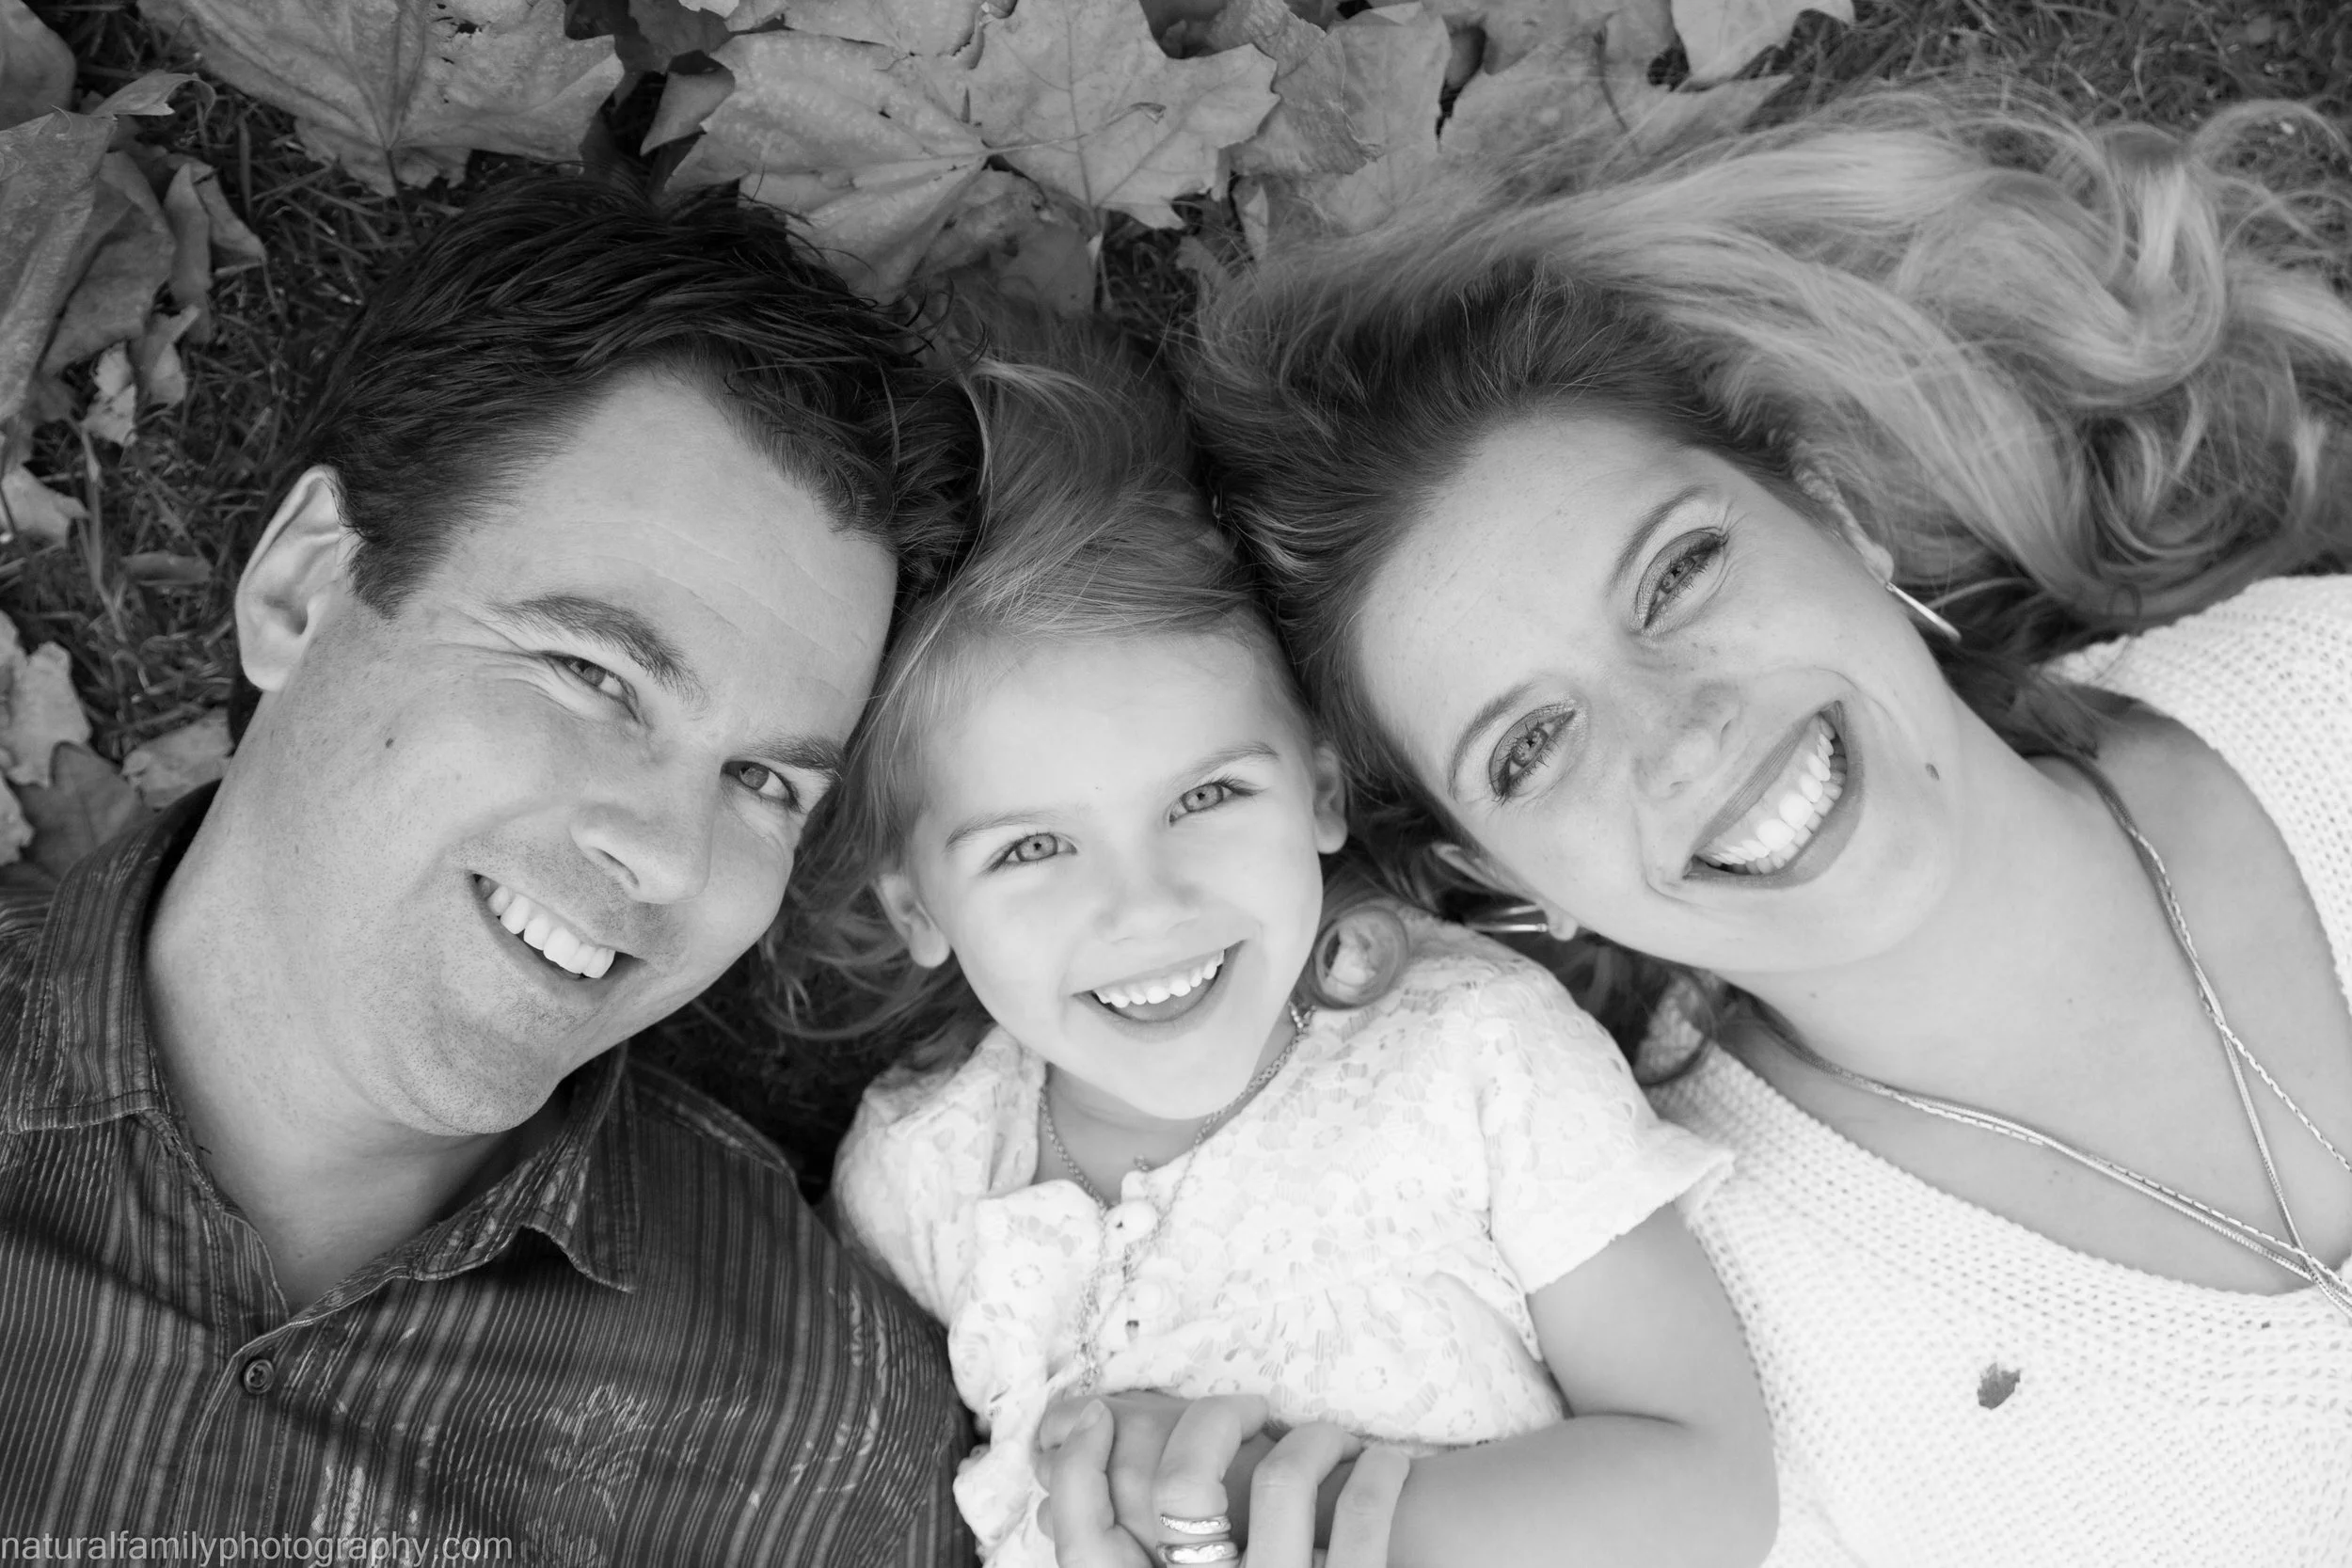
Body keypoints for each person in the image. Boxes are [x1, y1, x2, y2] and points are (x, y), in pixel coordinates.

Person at [1065, 87, 2352, 1566]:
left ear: (1836, 516)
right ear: (1500, 876)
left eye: (1676, 576)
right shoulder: (1719, 1358)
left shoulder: (2327, 687)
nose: (1682, 737)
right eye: (1532, 743)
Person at [0, 175, 979, 1562]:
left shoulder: (815, 1442)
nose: (665, 850)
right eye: (596, 673)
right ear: (302, 589)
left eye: (762, 781)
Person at [780, 336, 1777, 1568]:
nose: (1145, 904)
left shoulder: (1468, 1054)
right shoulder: (920, 1174)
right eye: (1032, 848)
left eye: (1204, 801)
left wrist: (1289, 1513)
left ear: (1317, 794)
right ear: (917, 906)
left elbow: (1707, 1483)